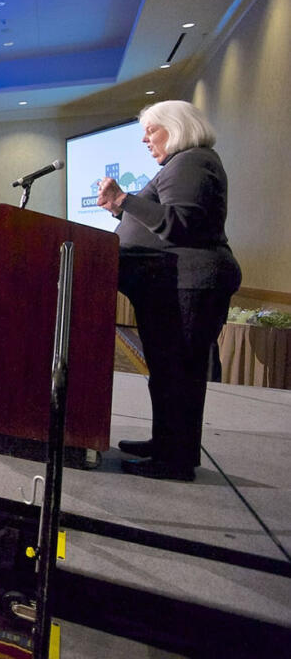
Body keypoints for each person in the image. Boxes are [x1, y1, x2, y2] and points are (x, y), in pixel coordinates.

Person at [96, 101, 241, 482]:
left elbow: (180, 223)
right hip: (170, 285)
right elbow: (164, 220)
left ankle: (175, 460)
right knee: (166, 372)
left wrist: (126, 200)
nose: (145, 138)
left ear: (177, 127)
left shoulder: (192, 161)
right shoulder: (185, 163)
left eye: (152, 129)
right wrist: (119, 209)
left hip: (188, 284)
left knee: (178, 373)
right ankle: (166, 443)